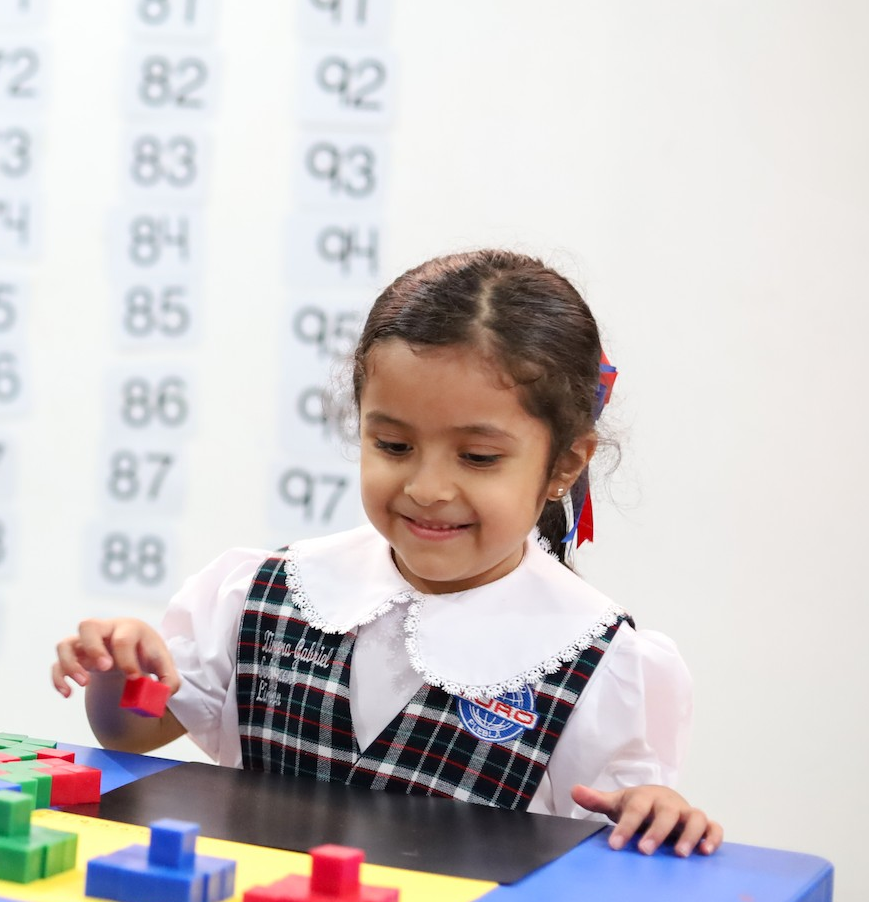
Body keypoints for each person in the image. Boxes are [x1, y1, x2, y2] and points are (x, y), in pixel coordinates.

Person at [53, 250, 722, 858]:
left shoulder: (600, 663)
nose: (427, 488)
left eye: (478, 457)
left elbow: (615, 849)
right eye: (394, 446)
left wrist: (655, 813)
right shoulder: (263, 592)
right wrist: (121, 671)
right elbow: (128, 736)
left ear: (565, 465)